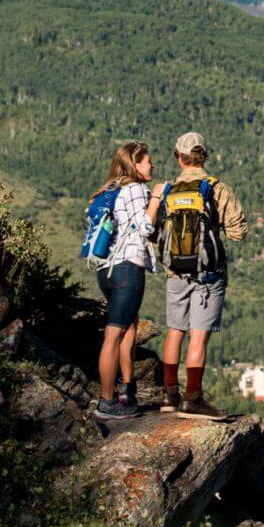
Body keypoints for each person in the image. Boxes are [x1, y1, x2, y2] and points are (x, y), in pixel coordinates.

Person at [156, 132, 247, 420]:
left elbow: (155, 234)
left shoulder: (167, 190)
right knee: (198, 338)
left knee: (175, 331)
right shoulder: (216, 188)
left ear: (179, 157)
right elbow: (238, 232)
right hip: (209, 273)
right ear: (203, 155)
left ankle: (169, 394)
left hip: (175, 272)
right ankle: (193, 398)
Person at [92, 140, 159, 421]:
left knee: (130, 326)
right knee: (113, 335)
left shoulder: (110, 190)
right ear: (135, 164)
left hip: (106, 270)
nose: (152, 165)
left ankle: (127, 391)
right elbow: (145, 227)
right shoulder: (135, 190)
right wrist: (155, 199)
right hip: (128, 270)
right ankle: (107, 402)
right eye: (147, 161)